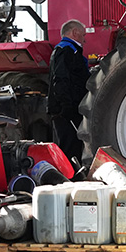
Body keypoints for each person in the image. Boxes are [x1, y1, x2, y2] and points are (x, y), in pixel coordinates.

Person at [48, 19, 89, 168]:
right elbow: (60, 78)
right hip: (66, 110)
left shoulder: (67, 50)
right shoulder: (66, 50)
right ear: (75, 32)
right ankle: (70, 178)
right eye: (83, 35)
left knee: (70, 145)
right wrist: (66, 105)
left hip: (67, 108)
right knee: (69, 146)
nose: (85, 40)